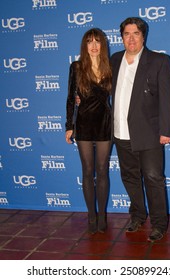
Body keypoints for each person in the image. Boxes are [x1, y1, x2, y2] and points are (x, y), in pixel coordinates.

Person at [110, 17, 170, 241]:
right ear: (121, 37)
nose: (131, 38)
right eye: (126, 34)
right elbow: (102, 88)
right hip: (119, 132)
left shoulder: (159, 61)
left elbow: (167, 100)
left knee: (153, 177)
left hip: (149, 133)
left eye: (135, 33)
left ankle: (159, 224)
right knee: (129, 177)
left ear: (143, 36)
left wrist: (166, 130)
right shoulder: (115, 59)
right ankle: (137, 215)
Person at [65, 28, 112, 234]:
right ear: (84, 45)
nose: (93, 46)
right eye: (89, 41)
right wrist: (69, 125)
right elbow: (70, 98)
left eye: (97, 41)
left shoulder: (111, 66)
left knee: (102, 171)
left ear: (103, 44)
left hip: (104, 123)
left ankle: (102, 215)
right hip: (83, 123)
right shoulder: (76, 67)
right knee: (87, 171)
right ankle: (91, 215)